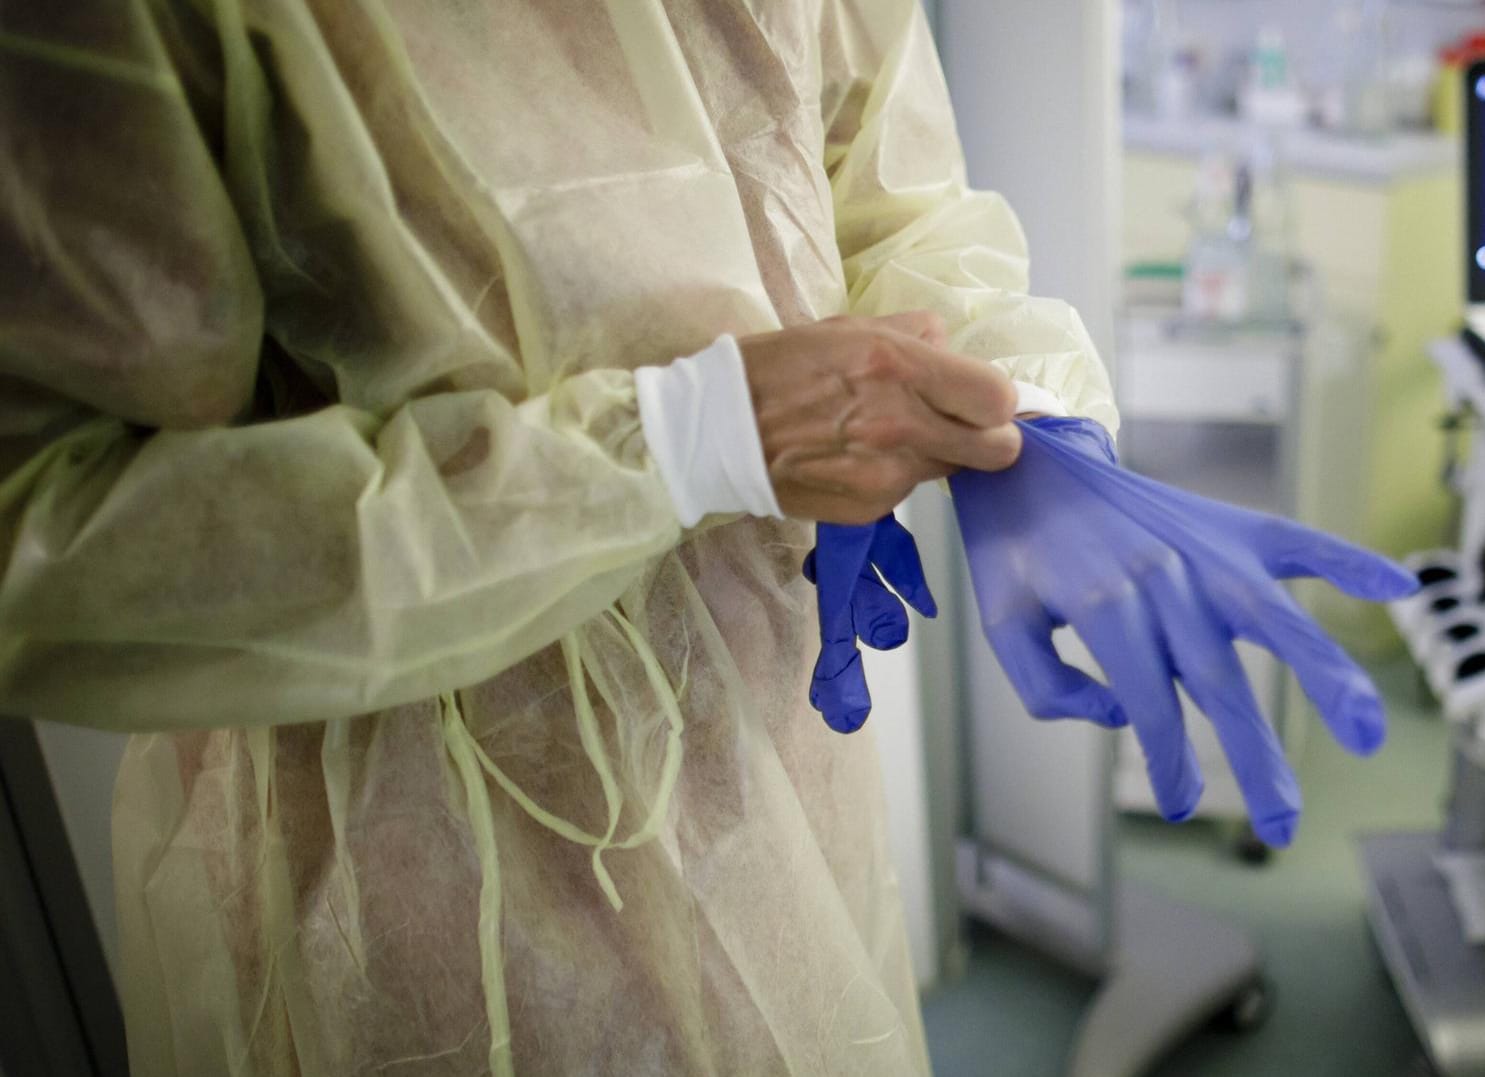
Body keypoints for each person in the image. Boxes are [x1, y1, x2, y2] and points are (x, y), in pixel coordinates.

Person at [0, 2, 1406, 1074]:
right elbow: (47, 536)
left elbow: (887, 197)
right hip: (408, 841)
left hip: (766, 733)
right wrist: (673, 442)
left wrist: (1024, 427)